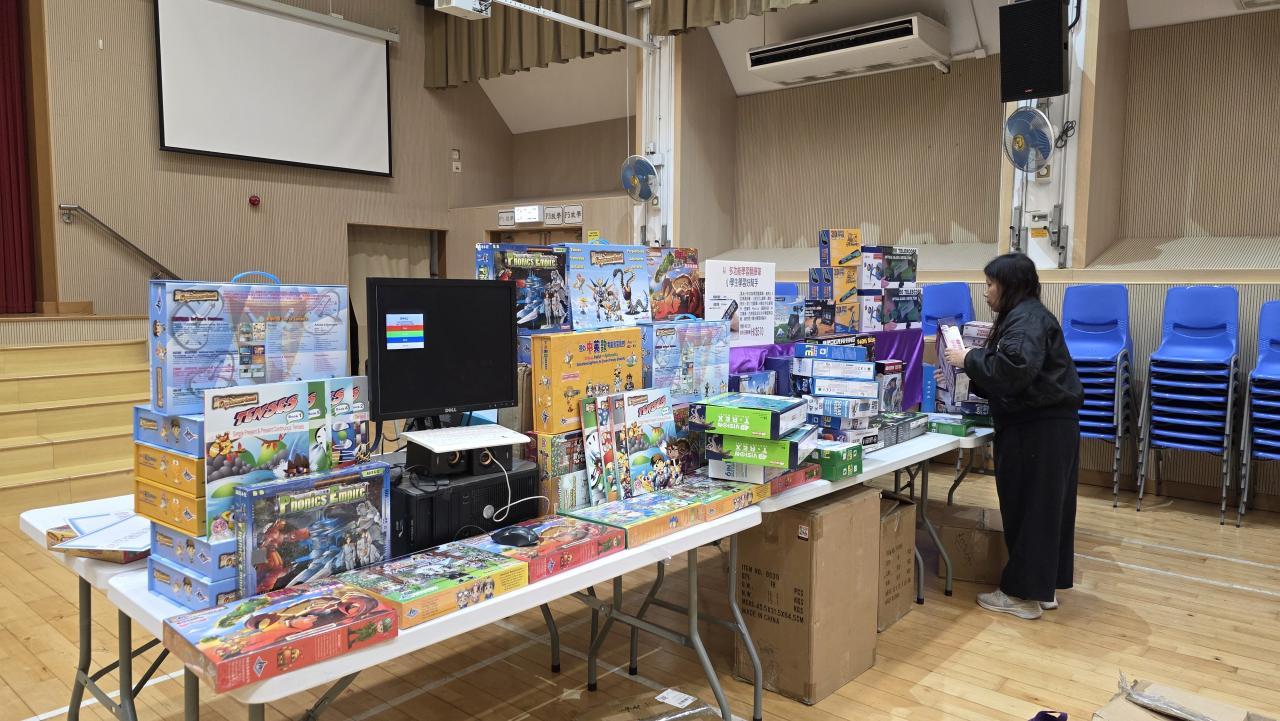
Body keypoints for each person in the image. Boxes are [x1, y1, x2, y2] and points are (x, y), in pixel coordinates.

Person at [940, 253, 1083, 620]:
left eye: (990, 284)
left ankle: (1021, 595)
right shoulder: (1028, 316)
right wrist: (969, 369)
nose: (985, 292)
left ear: (1010, 285)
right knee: (1048, 510)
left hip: (1035, 428)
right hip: (1050, 425)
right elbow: (1014, 375)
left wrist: (968, 358)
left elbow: (1014, 371)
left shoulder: (1025, 320)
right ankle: (1043, 588)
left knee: (1028, 509)